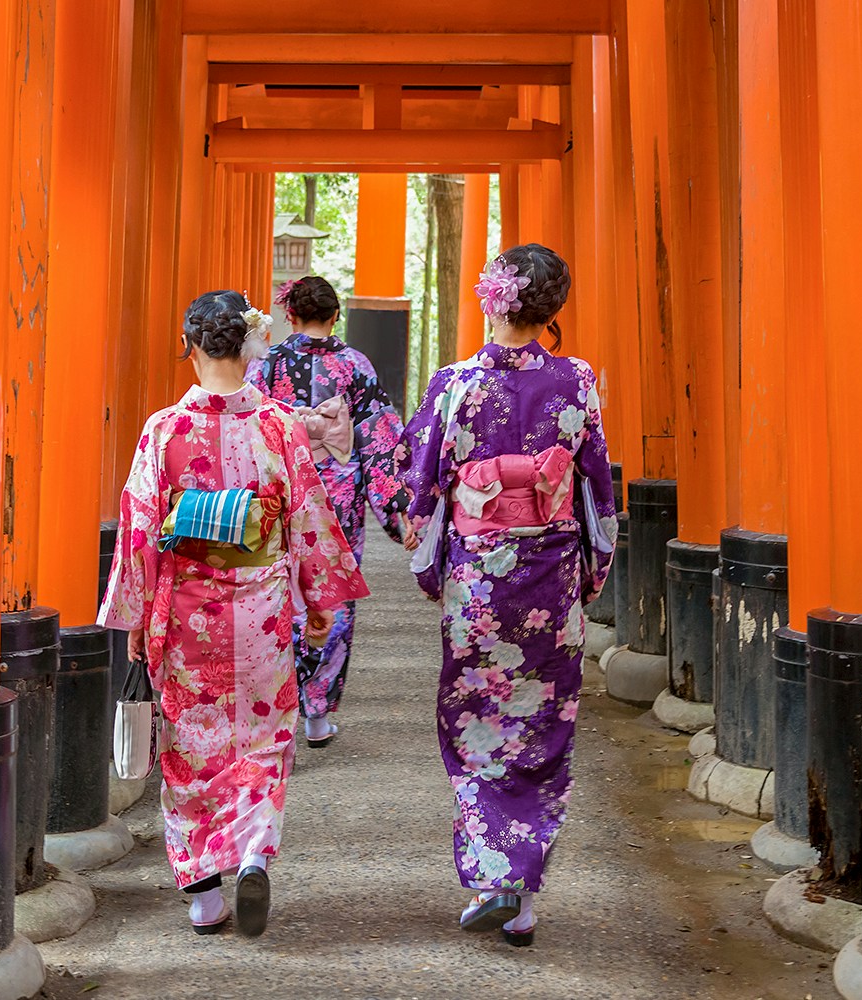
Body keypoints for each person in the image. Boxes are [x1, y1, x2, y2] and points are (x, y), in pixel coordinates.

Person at [98, 289, 369, 937]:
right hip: (263, 610)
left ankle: (204, 895)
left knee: (191, 747)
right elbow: (305, 515)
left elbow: (139, 530)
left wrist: (136, 616)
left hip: (187, 610)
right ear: (249, 345)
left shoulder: (166, 429)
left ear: (189, 345)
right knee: (262, 739)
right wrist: (318, 600)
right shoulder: (279, 425)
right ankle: (252, 851)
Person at [396, 245, 616, 947]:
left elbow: (416, 487)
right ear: (552, 309)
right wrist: (591, 575)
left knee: (475, 719)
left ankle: (494, 875)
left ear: (491, 299)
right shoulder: (577, 380)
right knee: (544, 724)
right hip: (552, 576)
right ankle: (520, 895)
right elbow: (597, 493)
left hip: (480, 581)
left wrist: (428, 562)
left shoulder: (455, 384)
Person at [248, 275, 412, 747]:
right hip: (339, 492)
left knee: (277, 587)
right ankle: (317, 714)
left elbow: (249, 427)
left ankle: (273, 706)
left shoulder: (269, 364)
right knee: (331, 590)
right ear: (335, 316)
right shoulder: (355, 364)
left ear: (291, 316)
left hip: (281, 490)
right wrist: (398, 514)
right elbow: (381, 439)